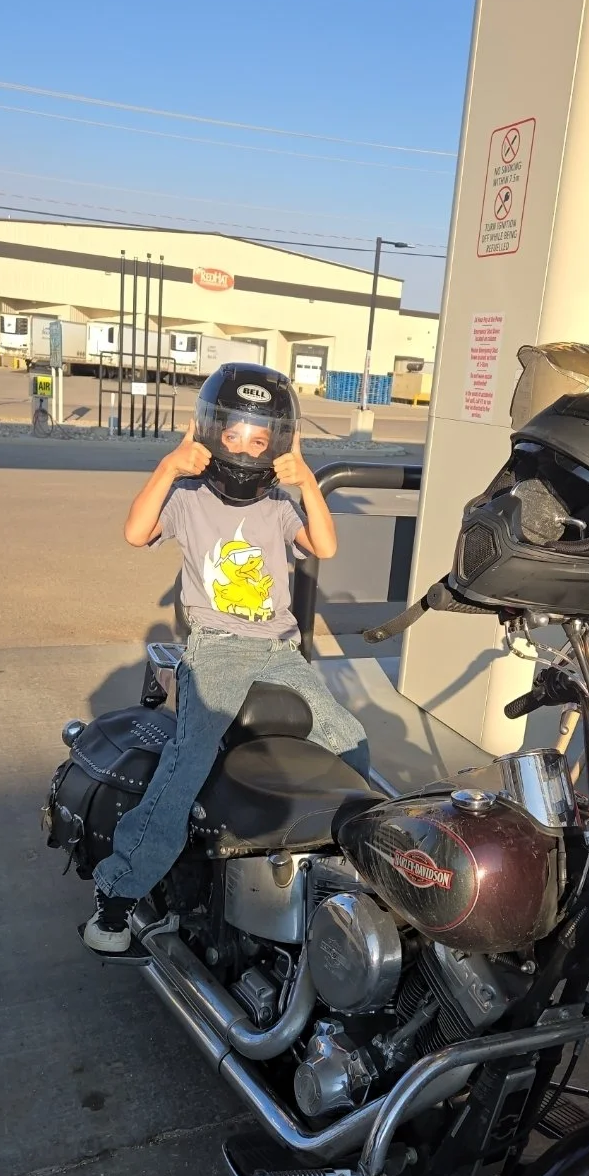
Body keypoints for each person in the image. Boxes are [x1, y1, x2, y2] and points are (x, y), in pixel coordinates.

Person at [85, 363, 369, 953]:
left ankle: (343, 876)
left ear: (279, 445)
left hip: (278, 651)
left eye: (260, 439)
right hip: (215, 651)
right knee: (187, 762)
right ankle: (118, 894)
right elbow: (136, 533)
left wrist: (307, 481)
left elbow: (326, 545)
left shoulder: (277, 505)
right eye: (234, 434)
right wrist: (169, 465)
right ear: (210, 433)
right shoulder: (188, 498)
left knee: (350, 740)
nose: (245, 449)